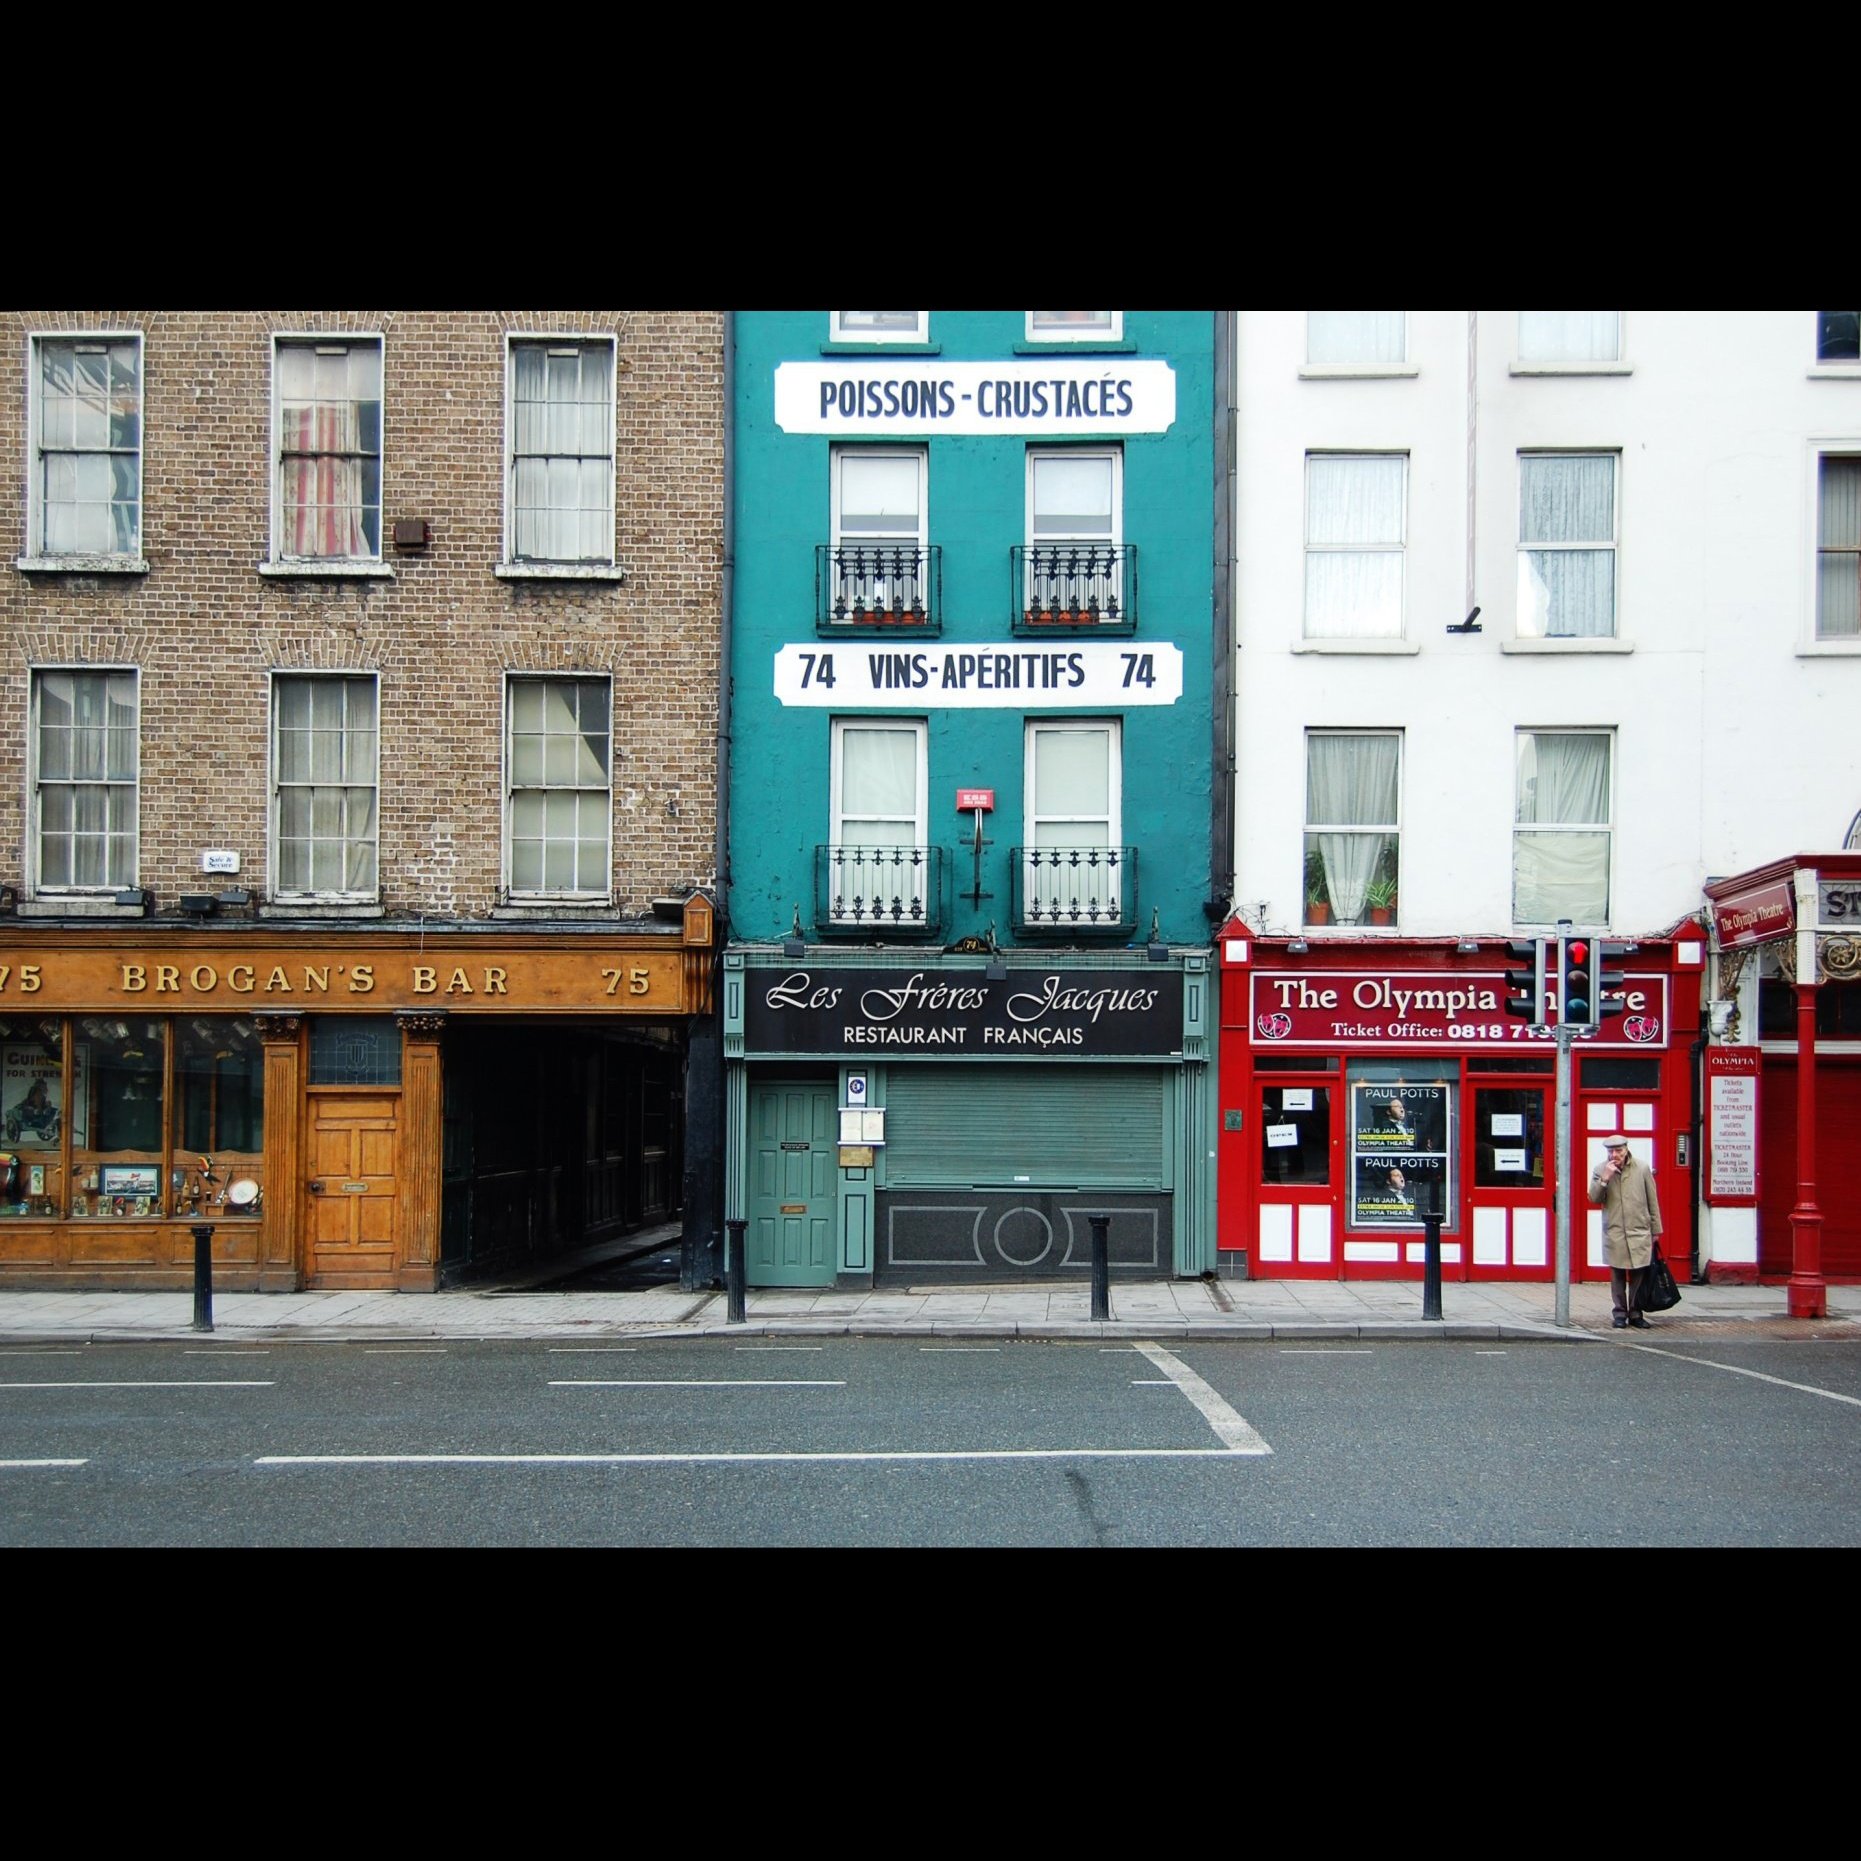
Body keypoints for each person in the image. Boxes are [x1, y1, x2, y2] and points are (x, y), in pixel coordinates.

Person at [1588, 1135, 1663, 1329]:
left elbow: (1652, 1200)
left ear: (1626, 1149)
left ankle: (1636, 1313)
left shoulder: (1642, 1168)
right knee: (1617, 1275)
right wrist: (1605, 1179)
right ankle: (1619, 1313)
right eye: (1611, 1151)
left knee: (1639, 1273)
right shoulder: (1600, 1170)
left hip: (1639, 1229)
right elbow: (1594, 1198)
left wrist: (1656, 1229)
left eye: (1618, 1151)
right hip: (1615, 1231)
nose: (1615, 1155)